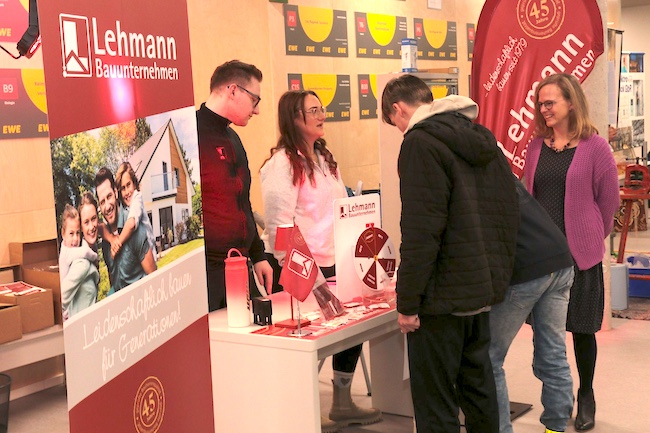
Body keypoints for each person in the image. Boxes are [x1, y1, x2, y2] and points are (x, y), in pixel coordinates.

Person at [381, 74, 519, 433]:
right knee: (478, 388)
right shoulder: (480, 137)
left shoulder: (419, 143)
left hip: (440, 299)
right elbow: (507, 211)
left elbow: (422, 231)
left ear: (398, 109)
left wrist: (408, 301)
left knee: (436, 402)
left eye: (394, 122)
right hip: (479, 290)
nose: (399, 130)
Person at [260, 90, 381, 432]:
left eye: (321, 108)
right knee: (309, 343)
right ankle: (296, 416)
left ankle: (342, 402)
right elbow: (280, 230)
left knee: (353, 330)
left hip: (338, 262)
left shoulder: (325, 157)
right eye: (313, 110)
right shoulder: (281, 165)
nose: (321, 114)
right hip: (305, 271)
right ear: (294, 118)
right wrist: (312, 281)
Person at [524, 73, 620, 431]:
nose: (544, 109)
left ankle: (587, 393)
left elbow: (608, 202)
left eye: (550, 102)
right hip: (543, 256)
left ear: (571, 102)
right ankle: (558, 398)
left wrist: (591, 234)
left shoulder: (595, 147)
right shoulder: (536, 147)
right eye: (541, 104)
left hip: (580, 255)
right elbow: (530, 197)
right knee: (547, 334)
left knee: (581, 329)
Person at [489, 179, 575, 433]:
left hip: (527, 268)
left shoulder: (474, 181)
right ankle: (556, 428)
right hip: (560, 259)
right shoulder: (504, 174)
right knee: (554, 352)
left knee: (489, 357)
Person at [196, 60, 273, 311]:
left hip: (241, 267)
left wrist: (258, 255)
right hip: (207, 277)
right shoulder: (193, 134)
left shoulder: (233, 138)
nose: (256, 110)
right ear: (233, 91)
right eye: (254, 100)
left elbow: (242, 203)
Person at [95, 167, 156, 293]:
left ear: (116, 193)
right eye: (102, 202)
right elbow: (113, 282)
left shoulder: (136, 231)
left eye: (109, 196)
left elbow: (156, 280)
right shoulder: (106, 243)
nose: (107, 206)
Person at [58, 202, 99, 320]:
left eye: (78, 233)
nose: (75, 239)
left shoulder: (69, 249)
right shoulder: (75, 258)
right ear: (63, 233)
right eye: (71, 234)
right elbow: (85, 252)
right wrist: (95, 257)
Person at [113, 162, 157, 261]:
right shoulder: (124, 207)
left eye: (128, 185)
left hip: (149, 258)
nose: (127, 192)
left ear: (134, 183)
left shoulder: (137, 198)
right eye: (123, 188)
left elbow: (131, 223)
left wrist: (117, 244)